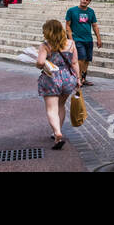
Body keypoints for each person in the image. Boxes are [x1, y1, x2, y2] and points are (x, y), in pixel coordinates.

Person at [35, 18, 81, 149]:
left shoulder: (45, 45)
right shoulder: (71, 43)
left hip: (51, 78)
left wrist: (37, 63)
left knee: (51, 108)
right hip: (68, 77)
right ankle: (58, 129)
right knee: (61, 105)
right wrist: (78, 79)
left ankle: (57, 132)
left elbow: (40, 63)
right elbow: (74, 62)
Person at [65, 0, 103, 85]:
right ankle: (78, 78)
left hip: (88, 39)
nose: (84, 1)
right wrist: (71, 39)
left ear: (89, 2)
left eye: (87, 0)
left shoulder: (91, 11)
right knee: (81, 58)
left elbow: (94, 25)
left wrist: (99, 38)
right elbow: (67, 26)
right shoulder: (72, 11)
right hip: (77, 39)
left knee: (87, 59)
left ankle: (83, 78)